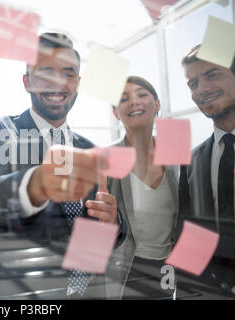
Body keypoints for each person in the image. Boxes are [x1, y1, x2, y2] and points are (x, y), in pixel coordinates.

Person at [0, 32, 126, 298]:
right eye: (45, 72)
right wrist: (34, 185)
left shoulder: (91, 151)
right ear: (27, 82)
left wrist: (113, 222)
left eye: (68, 73)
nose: (58, 82)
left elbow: (109, 229)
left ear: (78, 83)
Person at [85, 76, 179, 299]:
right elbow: (87, 233)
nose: (134, 102)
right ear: (116, 113)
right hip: (125, 269)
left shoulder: (179, 157)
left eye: (142, 94)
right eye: (123, 99)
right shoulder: (103, 160)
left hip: (171, 268)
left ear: (157, 104)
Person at [178, 44, 235, 297]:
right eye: (193, 83)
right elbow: (190, 231)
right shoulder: (193, 160)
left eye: (213, 74)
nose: (202, 89)